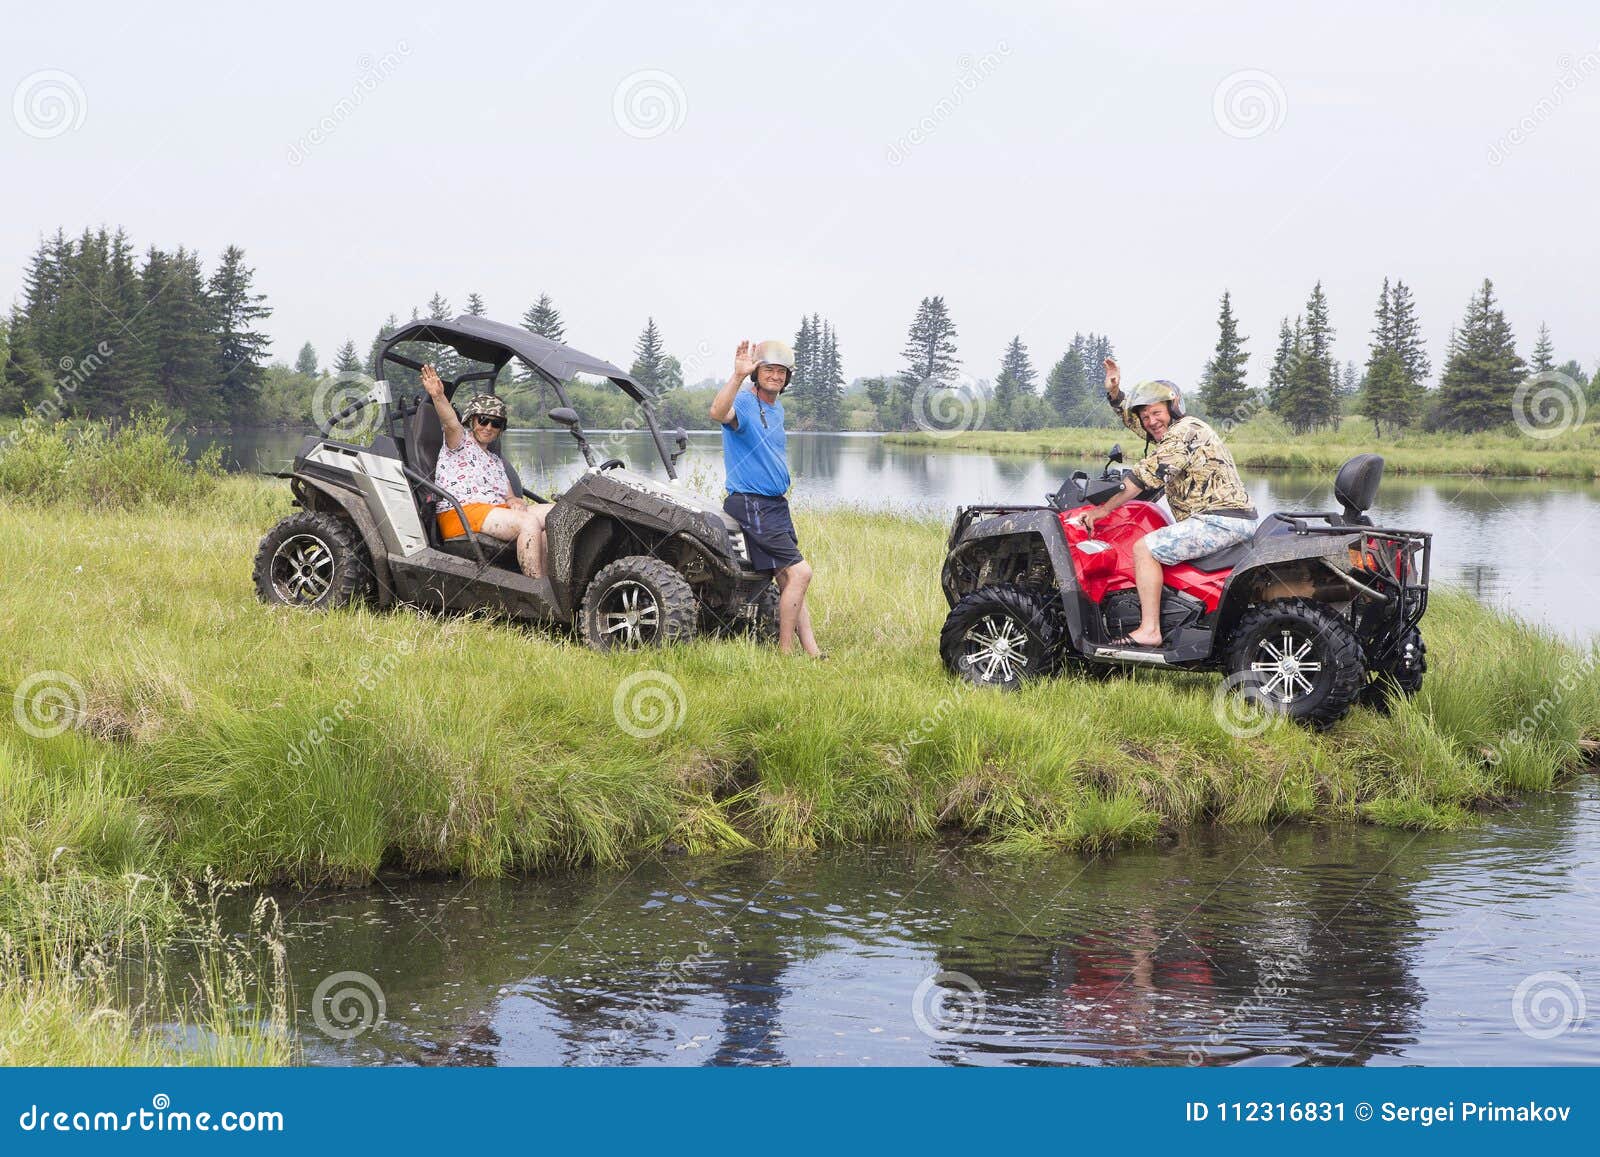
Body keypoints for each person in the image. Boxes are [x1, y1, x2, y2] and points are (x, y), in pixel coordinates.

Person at [1072, 357, 1256, 647]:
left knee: (1144, 549)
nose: (1151, 421)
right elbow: (1140, 427)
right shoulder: (1175, 432)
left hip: (1219, 520)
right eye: (1146, 417)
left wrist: (1103, 509)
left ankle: (1149, 630)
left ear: (1173, 408)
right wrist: (1115, 393)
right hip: (1226, 519)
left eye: (1156, 413)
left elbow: (1145, 476)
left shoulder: (1185, 432)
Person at [709, 339, 823, 657]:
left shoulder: (776, 408)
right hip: (750, 502)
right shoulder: (745, 402)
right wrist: (736, 376)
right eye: (768, 369)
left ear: (788, 378)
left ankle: (812, 652)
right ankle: (785, 653)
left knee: (790, 579)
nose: (775, 375)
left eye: (781, 371)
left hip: (774, 505)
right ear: (756, 374)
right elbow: (718, 412)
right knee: (801, 572)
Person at [422, 364, 553, 579]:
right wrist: (438, 397)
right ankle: (537, 590)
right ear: (471, 420)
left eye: (496, 423)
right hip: (461, 512)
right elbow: (450, 423)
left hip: (492, 511)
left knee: (556, 514)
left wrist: (514, 501)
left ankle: (553, 582)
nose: (488, 427)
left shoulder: (495, 460)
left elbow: (509, 494)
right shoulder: (459, 442)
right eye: (483, 420)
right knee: (529, 522)